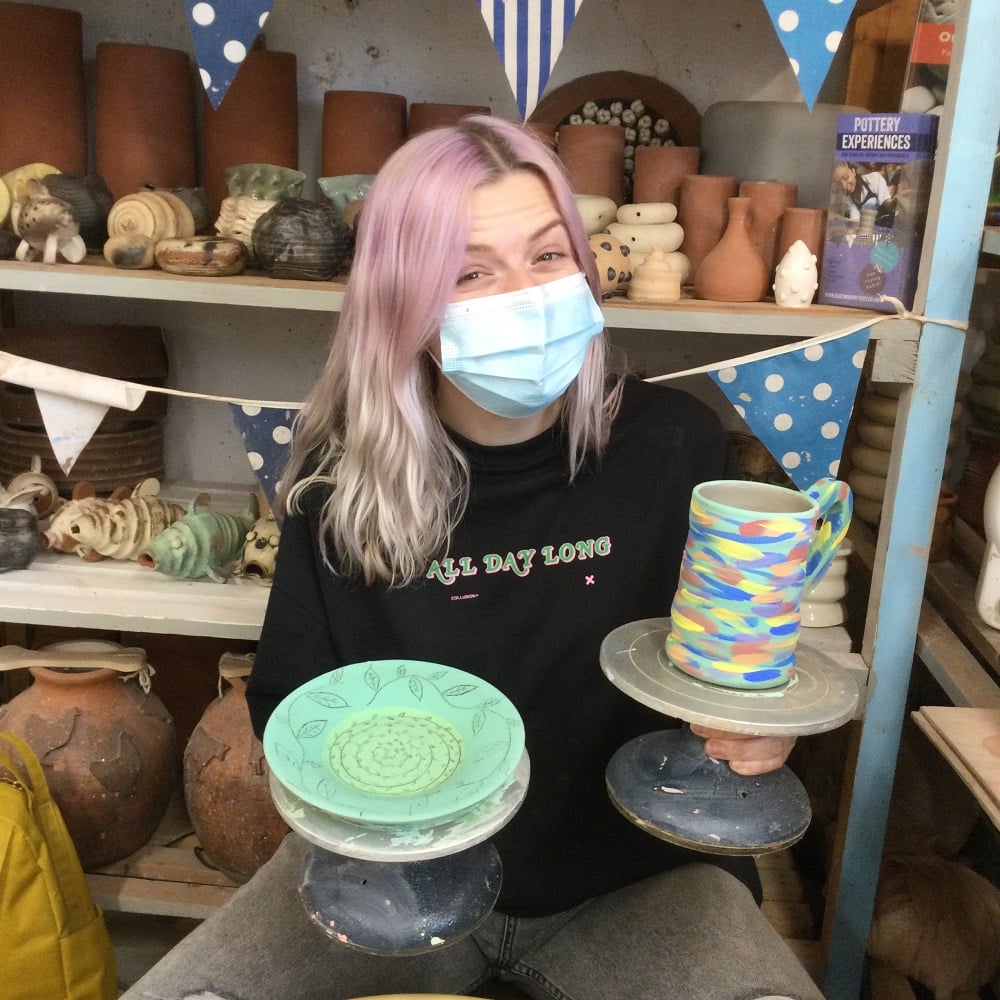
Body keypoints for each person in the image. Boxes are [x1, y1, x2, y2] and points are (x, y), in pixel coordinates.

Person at [122, 116, 822, 1000]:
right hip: (394, 884)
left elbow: (738, 659)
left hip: (641, 884)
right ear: (403, 302)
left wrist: (762, 720)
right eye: (470, 271)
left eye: (547, 255)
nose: (525, 295)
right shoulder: (340, 484)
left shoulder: (675, 449)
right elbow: (289, 699)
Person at [831, 160, 893, 225]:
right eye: (839, 183)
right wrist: (837, 217)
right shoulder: (847, 199)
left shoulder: (875, 179)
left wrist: (897, 201)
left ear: (853, 172)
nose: (844, 186)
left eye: (846, 177)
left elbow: (888, 205)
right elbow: (856, 222)